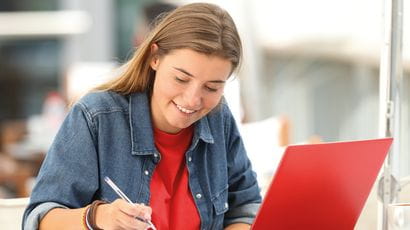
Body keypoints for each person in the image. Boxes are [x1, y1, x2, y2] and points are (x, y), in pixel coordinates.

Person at [23, 3, 261, 230]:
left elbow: (245, 206)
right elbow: (40, 220)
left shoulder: (218, 118)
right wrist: (98, 217)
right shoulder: (97, 117)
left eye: (211, 88)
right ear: (153, 57)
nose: (192, 100)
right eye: (181, 79)